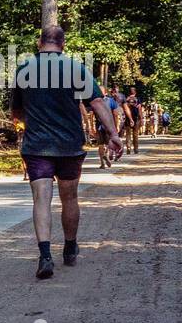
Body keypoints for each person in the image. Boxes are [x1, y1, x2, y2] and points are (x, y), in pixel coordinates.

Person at [11, 26, 123, 279]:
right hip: (69, 145)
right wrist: (113, 134)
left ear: (39, 42)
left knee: (41, 198)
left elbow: (17, 113)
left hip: (37, 145)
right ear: (63, 44)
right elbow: (97, 103)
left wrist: (31, 121)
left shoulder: (23, 70)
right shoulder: (77, 68)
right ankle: (70, 247)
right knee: (69, 198)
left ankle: (45, 255)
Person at [125, 87, 142, 154]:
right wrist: (141, 118)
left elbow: (124, 108)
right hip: (136, 118)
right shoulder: (138, 99)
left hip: (128, 118)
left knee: (128, 134)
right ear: (135, 92)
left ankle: (129, 147)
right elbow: (140, 109)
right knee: (135, 134)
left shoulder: (127, 99)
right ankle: (136, 149)